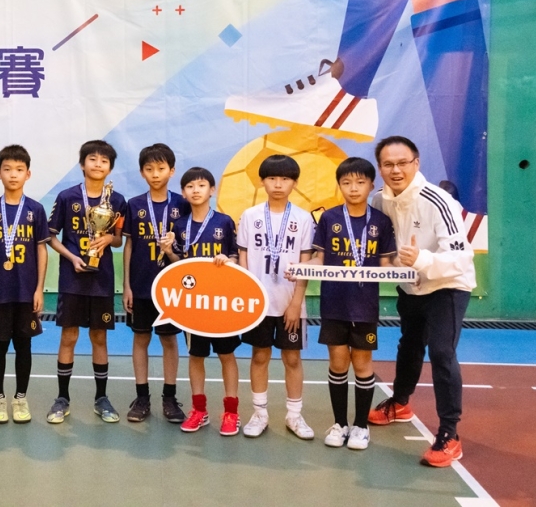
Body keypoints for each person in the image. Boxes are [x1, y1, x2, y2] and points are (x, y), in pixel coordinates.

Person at [367, 136, 476, 468]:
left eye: (402, 163)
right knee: (410, 344)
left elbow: (461, 258)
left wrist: (421, 259)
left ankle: (450, 434)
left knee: (442, 352)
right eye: (388, 164)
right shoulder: (379, 200)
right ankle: (400, 403)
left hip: (447, 285)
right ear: (380, 168)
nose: (396, 170)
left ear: (416, 163)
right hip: (411, 287)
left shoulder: (439, 201)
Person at [292, 157, 396, 450]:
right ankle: (339, 424)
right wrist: (299, 267)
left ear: (371, 185)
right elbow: (320, 259)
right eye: (347, 182)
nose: (353, 188)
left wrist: (407, 267)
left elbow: (387, 265)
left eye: (360, 182)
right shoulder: (329, 218)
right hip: (334, 304)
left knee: (362, 364)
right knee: (338, 363)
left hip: (365, 306)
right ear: (339, 185)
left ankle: (361, 426)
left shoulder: (381, 222)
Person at [46, 140, 126, 424]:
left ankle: (101, 398)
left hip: (101, 280)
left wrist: (109, 238)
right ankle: (62, 398)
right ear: (82, 164)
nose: (98, 164)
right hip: (72, 279)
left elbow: (119, 239)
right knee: (68, 337)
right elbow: (51, 236)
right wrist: (71, 258)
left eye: (104, 161)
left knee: (99, 337)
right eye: (92, 159)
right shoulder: (67, 197)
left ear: (110, 168)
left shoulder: (117, 201)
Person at [236, 154, 315, 440]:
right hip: (258, 302)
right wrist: (248, 298)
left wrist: (296, 303)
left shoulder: (303, 219)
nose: (278, 184)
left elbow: (305, 262)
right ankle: (260, 414)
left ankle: (294, 415)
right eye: (272, 178)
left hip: (289, 303)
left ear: (295, 183)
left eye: (285, 179)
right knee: (259, 356)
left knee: (292, 358)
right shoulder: (250, 216)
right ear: (262, 182)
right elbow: (243, 258)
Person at [162, 167, 240, 436]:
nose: (196, 190)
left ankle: (231, 412)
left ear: (212, 190)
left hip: (221, 302)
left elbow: (237, 257)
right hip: (193, 304)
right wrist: (169, 252)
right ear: (183, 193)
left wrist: (229, 260)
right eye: (190, 186)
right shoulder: (180, 226)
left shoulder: (224, 222)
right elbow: (179, 264)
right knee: (196, 356)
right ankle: (199, 410)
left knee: (226, 355)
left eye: (201, 185)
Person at [0, 145, 50, 424]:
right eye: (7, 169)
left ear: (28, 174)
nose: (13, 174)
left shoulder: (35, 209)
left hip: (26, 291)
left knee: (24, 345)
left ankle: (20, 398)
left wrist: (39, 288)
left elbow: (42, 249)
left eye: (19, 169)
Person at [122, 144, 185, 423]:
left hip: (172, 287)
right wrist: (126, 285)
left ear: (172, 171)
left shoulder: (182, 204)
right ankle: (142, 397)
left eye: (161, 168)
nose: (155, 174)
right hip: (141, 284)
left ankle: (169, 397)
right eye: (149, 169)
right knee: (141, 338)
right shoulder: (134, 204)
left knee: (169, 340)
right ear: (142, 172)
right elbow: (129, 245)